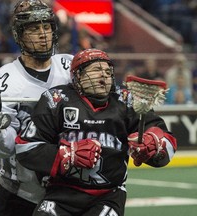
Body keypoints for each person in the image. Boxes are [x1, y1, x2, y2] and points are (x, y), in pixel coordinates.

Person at [15, 48, 177, 216]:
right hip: (61, 193)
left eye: (108, 71)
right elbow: (25, 148)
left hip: (108, 195)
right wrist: (67, 154)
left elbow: (167, 142)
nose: (104, 75)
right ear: (78, 76)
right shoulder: (56, 99)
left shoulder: (126, 100)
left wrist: (155, 144)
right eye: (96, 69)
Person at [0, 0, 73, 215]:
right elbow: (4, 149)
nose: (43, 34)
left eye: (47, 27)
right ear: (19, 34)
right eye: (35, 28)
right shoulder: (3, 82)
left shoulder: (71, 68)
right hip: (21, 194)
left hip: (69, 191)